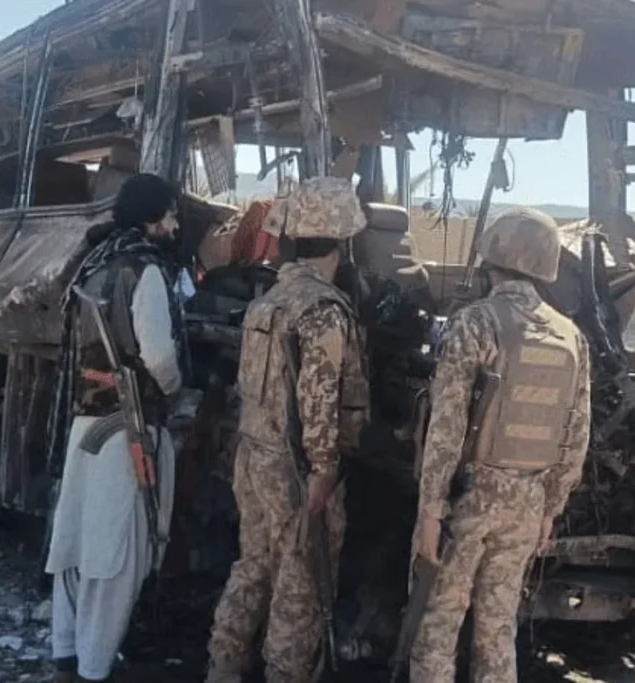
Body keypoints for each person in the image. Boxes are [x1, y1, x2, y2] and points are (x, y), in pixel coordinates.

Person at [409, 207, 592, 683]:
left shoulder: (476, 323)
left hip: (469, 501)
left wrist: (431, 511)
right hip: (528, 503)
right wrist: (550, 507)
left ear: (492, 258)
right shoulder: (571, 337)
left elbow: (446, 427)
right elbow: (576, 435)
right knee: (497, 630)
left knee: (438, 623)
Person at [204, 177, 371, 683]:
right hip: (295, 470)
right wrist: (323, 470)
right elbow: (318, 402)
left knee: (252, 565)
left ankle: (223, 665)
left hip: (253, 456)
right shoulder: (322, 310)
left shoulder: (269, 301)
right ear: (342, 241)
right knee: (300, 583)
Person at [45, 173, 184, 683]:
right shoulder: (144, 270)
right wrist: (175, 389)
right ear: (152, 217)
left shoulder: (95, 263)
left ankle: (66, 653)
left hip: (87, 423)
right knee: (117, 552)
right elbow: (159, 358)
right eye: (171, 214)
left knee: (77, 543)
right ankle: (94, 667)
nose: (176, 225)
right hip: (129, 428)